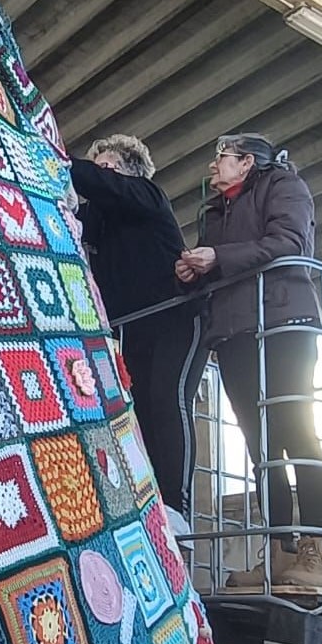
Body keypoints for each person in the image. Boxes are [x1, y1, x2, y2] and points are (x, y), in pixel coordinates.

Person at [177, 133, 322, 588]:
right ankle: (280, 551)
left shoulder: (284, 186)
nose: (212, 166)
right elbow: (220, 269)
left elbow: (288, 242)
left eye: (221, 158)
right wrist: (191, 275)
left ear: (247, 162)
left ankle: (317, 550)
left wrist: (218, 256)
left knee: (296, 430)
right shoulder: (214, 212)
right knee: (260, 444)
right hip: (235, 332)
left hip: (284, 321)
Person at [71, 134, 208, 534]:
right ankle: (143, 502)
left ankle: (176, 506)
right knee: (134, 412)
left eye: (108, 165)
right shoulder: (100, 218)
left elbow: (100, 184)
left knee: (167, 399)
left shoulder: (147, 195)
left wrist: (61, 163)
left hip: (174, 315)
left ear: (129, 172)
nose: (101, 173)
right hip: (131, 325)